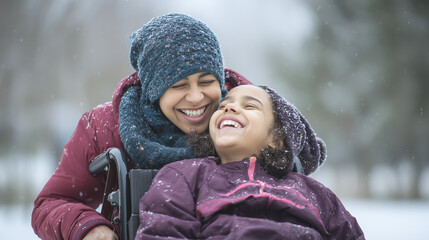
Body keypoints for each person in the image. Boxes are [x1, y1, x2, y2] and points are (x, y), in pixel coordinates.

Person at [31, 13, 251, 240]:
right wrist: (88, 227)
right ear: (154, 89)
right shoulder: (106, 128)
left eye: (207, 82)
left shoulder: (251, 117)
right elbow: (51, 203)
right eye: (178, 85)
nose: (196, 97)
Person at [135, 85, 365, 239]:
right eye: (224, 105)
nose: (229, 107)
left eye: (250, 106)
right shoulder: (185, 175)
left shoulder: (315, 193)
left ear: (276, 138)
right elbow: (163, 232)